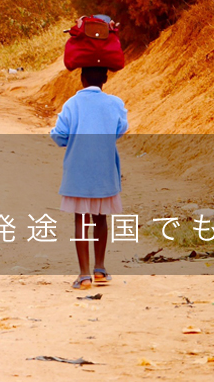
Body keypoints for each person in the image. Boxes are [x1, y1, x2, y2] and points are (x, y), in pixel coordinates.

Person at [50, 66, 129, 290]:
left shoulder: (71, 104)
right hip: (104, 169)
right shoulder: (114, 103)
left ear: (82, 78)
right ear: (105, 79)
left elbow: (59, 135)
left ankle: (84, 275)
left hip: (78, 170)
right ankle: (100, 270)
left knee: (81, 220)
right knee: (101, 218)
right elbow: (121, 128)